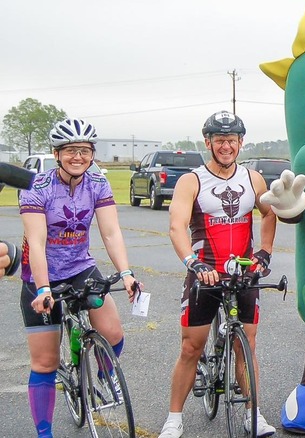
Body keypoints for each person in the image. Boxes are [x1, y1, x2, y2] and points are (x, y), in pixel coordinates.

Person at [19, 118, 140, 438]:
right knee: (44, 362)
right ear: (56, 153)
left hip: (81, 269)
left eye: (85, 150)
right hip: (41, 276)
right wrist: (44, 288)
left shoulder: (98, 183)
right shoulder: (36, 187)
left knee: (113, 331)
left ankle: (102, 370)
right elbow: (38, 242)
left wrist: (126, 273)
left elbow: (111, 232)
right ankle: (44, 433)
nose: (78, 156)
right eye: (71, 150)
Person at [160, 111, 278, 438]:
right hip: (205, 273)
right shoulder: (192, 181)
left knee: (247, 344)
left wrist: (264, 252)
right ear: (208, 142)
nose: (226, 146)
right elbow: (176, 225)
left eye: (232, 140)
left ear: (241, 142)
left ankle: (252, 414)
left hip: (242, 273)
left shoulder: (253, 178)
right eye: (219, 140)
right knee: (190, 348)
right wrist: (191, 262)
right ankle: (174, 419)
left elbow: (270, 214)